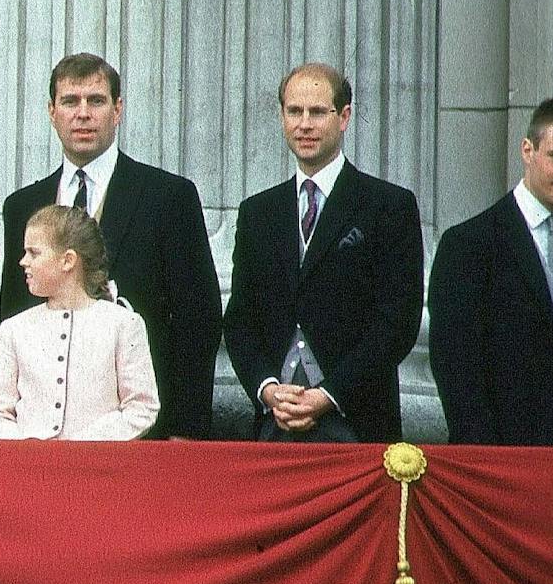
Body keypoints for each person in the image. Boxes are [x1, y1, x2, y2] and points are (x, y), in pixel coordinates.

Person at [0, 54, 222, 438]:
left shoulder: (168, 197)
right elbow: (16, 312)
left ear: (117, 109)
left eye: (96, 101)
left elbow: (197, 318)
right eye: (70, 101)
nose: (82, 114)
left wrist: (184, 429)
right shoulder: (23, 205)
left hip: (147, 428)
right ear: (52, 112)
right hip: (42, 439)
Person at [223, 63, 424, 442]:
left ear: (344, 116)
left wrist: (329, 394)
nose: (305, 124)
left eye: (317, 112)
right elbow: (240, 320)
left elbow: (398, 323)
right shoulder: (257, 212)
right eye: (294, 111)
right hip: (273, 426)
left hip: (357, 424)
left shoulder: (388, 206)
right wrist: (267, 388)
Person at [427, 99, 553, 445]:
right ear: (528, 150)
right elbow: (456, 370)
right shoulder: (468, 245)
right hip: (504, 464)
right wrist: (487, 463)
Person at [0, 205, 159, 440]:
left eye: (34, 253)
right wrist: (26, 446)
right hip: (30, 470)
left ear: (68, 261)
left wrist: (84, 445)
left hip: (100, 467)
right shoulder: (15, 329)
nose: (23, 261)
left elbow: (142, 408)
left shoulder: (123, 324)